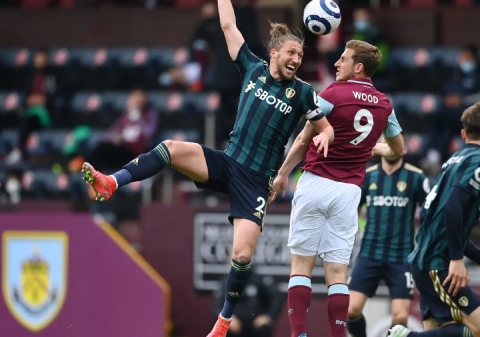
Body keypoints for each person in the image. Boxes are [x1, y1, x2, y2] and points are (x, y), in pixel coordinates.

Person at [81, 0, 334, 336]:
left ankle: (223, 321)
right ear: (274, 52)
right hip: (227, 163)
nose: (296, 60)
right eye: (291, 53)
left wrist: (326, 136)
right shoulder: (252, 66)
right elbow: (229, 27)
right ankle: (112, 182)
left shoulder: (303, 93)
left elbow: (325, 126)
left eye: (300, 56)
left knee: (242, 253)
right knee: (171, 148)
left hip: (256, 183)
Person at [271, 39, 406, 337]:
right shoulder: (385, 104)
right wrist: (375, 147)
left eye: (343, 59)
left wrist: (282, 174)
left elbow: (306, 137)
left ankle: (299, 334)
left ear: (358, 67)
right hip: (348, 194)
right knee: (337, 274)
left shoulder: (333, 93)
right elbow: (400, 148)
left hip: (316, 182)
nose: (336, 63)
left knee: (301, 266)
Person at [388, 102, 480, 337]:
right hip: (437, 264)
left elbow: (442, 222)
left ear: (463, 134)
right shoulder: (478, 162)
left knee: (448, 331)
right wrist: (456, 260)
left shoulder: (453, 161)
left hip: (428, 260)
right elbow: (451, 208)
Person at [347, 134, 430, 337]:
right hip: (369, 253)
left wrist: (424, 247)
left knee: (400, 317)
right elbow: (351, 212)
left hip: (402, 257)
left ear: (404, 148)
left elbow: (431, 214)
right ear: (377, 147)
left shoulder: (417, 177)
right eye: (386, 142)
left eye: (395, 142)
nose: (390, 146)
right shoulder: (368, 176)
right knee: (350, 309)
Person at [211, 265, 285, 337]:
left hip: (255, 322)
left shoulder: (259, 279)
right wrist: (227, 318)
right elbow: (217, 307)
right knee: (221, 326)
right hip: (233, 320)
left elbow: (277, 296)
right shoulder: (225, 282)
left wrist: (269, 316)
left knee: (263, 328)